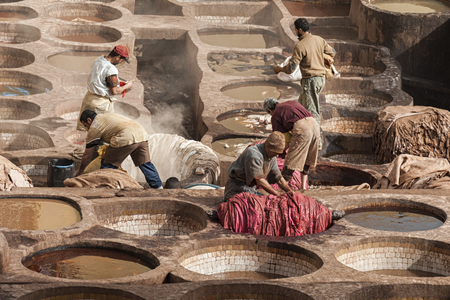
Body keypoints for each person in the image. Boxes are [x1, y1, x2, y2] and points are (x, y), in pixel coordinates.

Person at [274, 18, 335, 148]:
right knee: (301, 106)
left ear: (300, 30)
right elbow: (332, 52)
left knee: (312, 111)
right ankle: (299, 134)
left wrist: (280, 69)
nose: (295, 31)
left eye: (295, 29)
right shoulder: (319, 39)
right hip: (320, 79)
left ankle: (316, 143)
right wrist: (319, 55)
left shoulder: (300, 45)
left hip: (310, 80)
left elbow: (291, 68)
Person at [75, 110, 163, 189]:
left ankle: (109, 189)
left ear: (89, 120)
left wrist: (80, 172)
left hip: (125, 136)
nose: (87, 129)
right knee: (145, 164)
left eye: (86, 125)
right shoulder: (106, 116)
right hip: (141, 134)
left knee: (107, 166)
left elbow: (87, 155)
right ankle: (158, 187)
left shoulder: (94, 126)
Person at [264, 97, 320, 190]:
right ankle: (304, 187)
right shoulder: (291, 102)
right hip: (314, 125)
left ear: (270, 110)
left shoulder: (276, 114)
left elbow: (279, 138)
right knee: (308, 157)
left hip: (303, 129)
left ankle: (282, 189)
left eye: (269, 113)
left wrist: (280, 154)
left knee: (291, 161)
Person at [76, 45, 134, 131]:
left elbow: (101, 78)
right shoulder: (111, 69)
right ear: (118, 57)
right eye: (122, 60)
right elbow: (114, 91)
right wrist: (127, 86)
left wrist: (117, 82)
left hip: (89, 99)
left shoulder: (98, 60)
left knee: (87, 128)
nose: (120, 62)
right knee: (104, 130)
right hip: (101, 105)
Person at [224, 131, 293, 201]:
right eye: (275, 153)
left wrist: (290, 192)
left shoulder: (272, 157)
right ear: (269, 148)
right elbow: (259, 180)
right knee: (260, 204)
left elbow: (278, 177)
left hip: (250, 187)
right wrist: (277, 194)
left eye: (278, 153)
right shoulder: (254, 154)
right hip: (237, 187)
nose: (277, 155)